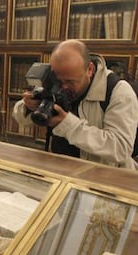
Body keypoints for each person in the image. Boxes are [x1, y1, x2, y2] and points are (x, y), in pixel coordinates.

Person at [12, 39, 138, 170]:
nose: (64, 87)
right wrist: (29, 107)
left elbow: (120, 149)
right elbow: (20, 118)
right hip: (60, 169)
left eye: (70, 82)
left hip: (102, 177)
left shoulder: (119, 92)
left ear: (89, 69)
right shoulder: (56, 78)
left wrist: (67, 124)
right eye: (59, 81)